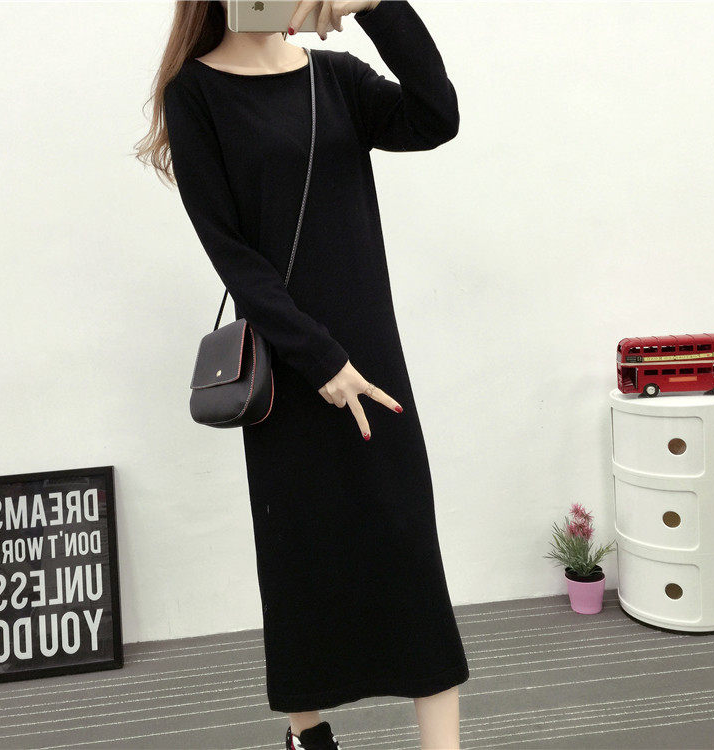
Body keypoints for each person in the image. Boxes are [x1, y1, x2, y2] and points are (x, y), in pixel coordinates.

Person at [136, 1, 469, 747]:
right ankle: (306, 731)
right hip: (289, 368)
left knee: (407, 544)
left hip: (372, 356)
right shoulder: (194, 94)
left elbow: (437, 117)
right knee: (302, 553)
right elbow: (231, 252)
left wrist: (379, 7)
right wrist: (320, 360)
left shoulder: (338, 78)